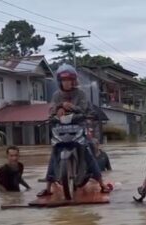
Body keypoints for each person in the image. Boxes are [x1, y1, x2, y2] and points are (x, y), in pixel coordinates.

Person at [37, 64, 111, 197]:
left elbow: (84, 108)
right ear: (60, 82)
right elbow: (52, 110)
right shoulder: (56, 95)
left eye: (69, 80)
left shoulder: (81, 94)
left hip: (78, 127)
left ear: (73, 81)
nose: (66, 83)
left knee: (88, 149)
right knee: (54, 153)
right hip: (60, 129)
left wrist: (72, 107)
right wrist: (60, 106)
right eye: (64, 80)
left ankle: (101, 183)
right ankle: (48, 187)